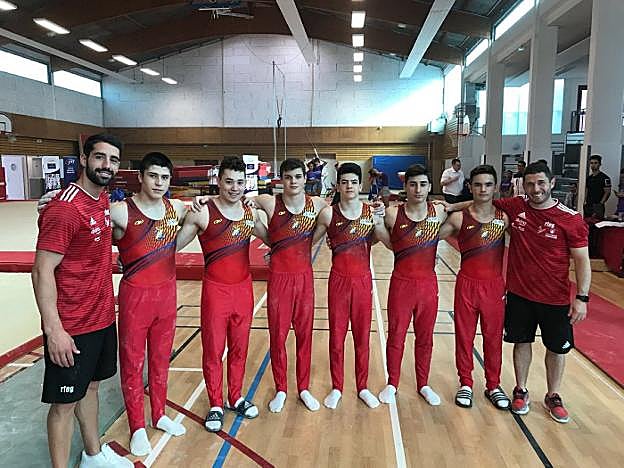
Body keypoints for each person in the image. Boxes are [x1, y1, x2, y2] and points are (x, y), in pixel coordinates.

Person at [32, 134, 133, 468]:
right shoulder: (65, 208)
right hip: (72, 326)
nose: (107, 165)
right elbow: (42, 271)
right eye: (100, 157)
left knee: (90, 388)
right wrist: (54, 331)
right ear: (84, 158)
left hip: (101, 317)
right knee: (63, 405)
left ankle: (93, 454)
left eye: (113, 160)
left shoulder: (101, 199)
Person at [490, 162, 590, 423]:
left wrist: (582, 297)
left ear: (552, 183)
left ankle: (553, 395)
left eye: (541, 183)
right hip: (519, 294)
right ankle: (521, 389)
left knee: (556, 349)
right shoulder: (516, 206)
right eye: (530, 184)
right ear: (523, 185)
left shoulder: (571, 219)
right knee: (521, 342)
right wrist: (447, 206)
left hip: (555, 298)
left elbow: (582, 260)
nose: (536, 189)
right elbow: (482, 201)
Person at [176, 156, 269, 433]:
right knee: (214, 350)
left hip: (243, 291)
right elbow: (172, 245)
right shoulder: (202, 212)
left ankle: (235, 396)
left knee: (240, 348)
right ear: (218, 181)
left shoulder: (250, 213)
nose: (234, 188)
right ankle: (215, 403)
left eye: (240, 182)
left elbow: (275, 239)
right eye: (229, 182)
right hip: (215, 292)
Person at [235, 158, 327, 413]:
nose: (293, 182)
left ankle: (304, 388)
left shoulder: (317, 204)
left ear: (305, 179)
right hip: (279, 279)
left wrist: (306, 243)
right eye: (288, 177)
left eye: (297, 177)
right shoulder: (269, 202)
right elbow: (241, 199)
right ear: (281, 180)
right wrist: (274, 242)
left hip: (304, 279)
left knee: (305, 336)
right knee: (278, 336)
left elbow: (335, 217)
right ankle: (281, 389)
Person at [114, 153, 188, 456]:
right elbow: (82, 217)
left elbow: (207, 212)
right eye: (153, 176)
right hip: (136, 297)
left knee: (160, 359)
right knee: (133, 364)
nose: (159, 183)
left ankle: (159, 414)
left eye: (165, 177)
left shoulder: (177, 208)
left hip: (167, 295)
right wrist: (54, 201)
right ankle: (137, 427)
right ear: (140, 177)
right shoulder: (121, 211)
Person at [312, 163, 386, 410]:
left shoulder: (370, 213)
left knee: (362, 338)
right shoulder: (328, 215)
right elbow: (307, 243)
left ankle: (362, 387)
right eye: (344, 182)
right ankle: (337, 387)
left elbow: (381, 240)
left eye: (353, 182)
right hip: (338, 282)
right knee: (337, 337)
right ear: (338, 186)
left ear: (360, 184)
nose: (349, 186)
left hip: (362, 281)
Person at [375, 164, 449, 406]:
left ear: (430, 187)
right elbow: (380, 238)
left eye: (423, 184)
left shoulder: (439, 211)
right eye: (413, 184)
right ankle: (392, 383)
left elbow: (477, 205)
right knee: (396, 335)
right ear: (405, 187)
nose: (418, 190)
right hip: (402, 284)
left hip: (428, 284)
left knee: (425, 337)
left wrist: (455, 205)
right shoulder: (392, 214)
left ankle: (423, 384)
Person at [439, 165, 510, 410]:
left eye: (488, 184)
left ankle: (493, 385)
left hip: (494, 287)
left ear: (495, 187)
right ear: (470, 187)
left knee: (493, 337)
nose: (483, 189)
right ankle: (466, 383)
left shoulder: (504, 218)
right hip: (467, 285)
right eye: (478, 184)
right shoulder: (459, 218)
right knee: (464, 336)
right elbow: (429, 237)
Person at [584, 154, 611, 219]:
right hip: (588, 205)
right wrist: (584, 201)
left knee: (597, 223)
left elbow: (607, 192)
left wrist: (600, 204)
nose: (593, 165)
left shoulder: (605, 178)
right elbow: (586, 190)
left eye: (595, 163)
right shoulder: (589, 178)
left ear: (600, 164)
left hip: (598, 205)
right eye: (591, 163)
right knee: (586, 222)